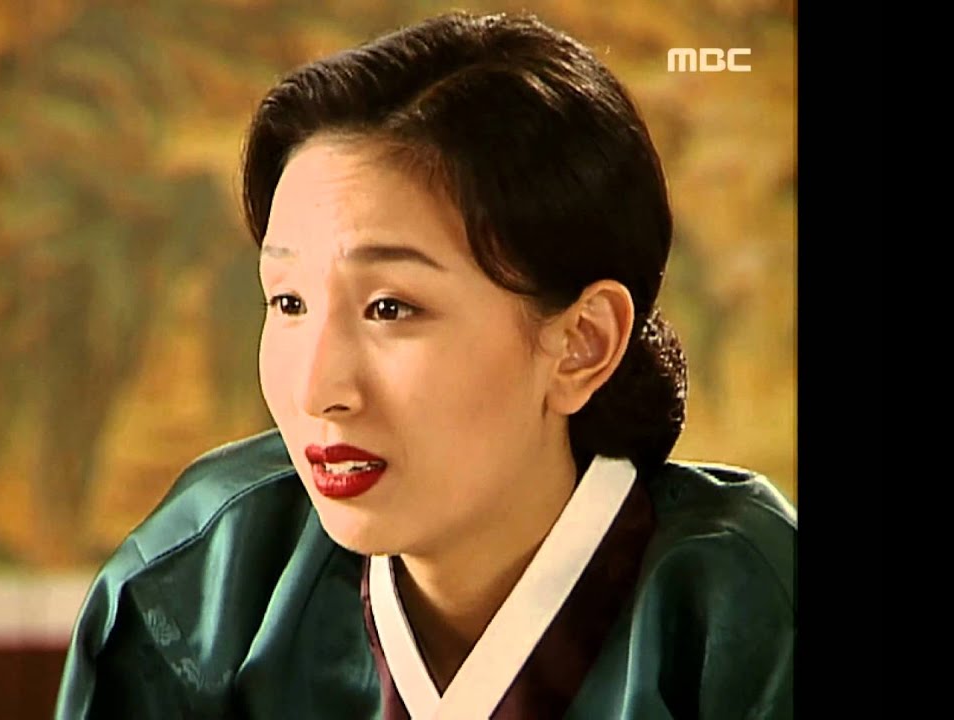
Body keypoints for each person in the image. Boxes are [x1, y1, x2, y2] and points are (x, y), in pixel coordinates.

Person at [55, 10, 795, 719]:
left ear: (582, 343)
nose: (318, 390)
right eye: (288, 302)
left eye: (389, 308)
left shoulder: (748, 612)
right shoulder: (204, 589)